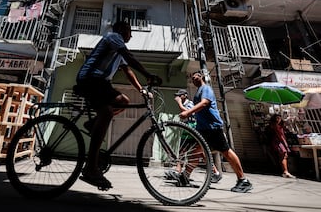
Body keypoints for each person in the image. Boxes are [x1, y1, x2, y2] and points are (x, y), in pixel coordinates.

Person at [75, 21, 160, 190]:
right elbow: (129, 56)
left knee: (124, 101)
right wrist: (148, 74)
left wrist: (141, 89)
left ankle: (93, 123)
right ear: (122, 30)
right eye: (129, 31)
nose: (131, 35)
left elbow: (128, 71)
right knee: (106, 113)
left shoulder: (117, 50)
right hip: (91, 80)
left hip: (101, 83)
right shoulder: (113, 38)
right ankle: (91, 168)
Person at [179, 71, 253, 193]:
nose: (193, 79)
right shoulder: (198, 91)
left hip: (212, 127)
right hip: (203, 129)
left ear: (201, 77)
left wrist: (188, 112)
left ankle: (243, 180)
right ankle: (185, 176)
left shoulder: (206, 88)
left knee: (226, 151)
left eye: (195, 77)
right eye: (192, 78)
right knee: (196, 151)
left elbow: (205, 103)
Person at [166, 88, 221, 184]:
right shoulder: (185, 103)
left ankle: (214, 172)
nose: (178, 97)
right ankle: (214, 172)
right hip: (187, 130)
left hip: (192, 129)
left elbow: (191, 113)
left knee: (194, 152)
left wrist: (179, 104)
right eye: (177, 95)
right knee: (189, 152)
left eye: (180, 95)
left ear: (185, 95)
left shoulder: (189, 103)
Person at [265, 113, 296, 178]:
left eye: (279, 118)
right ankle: (285, 171)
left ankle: (284, 171)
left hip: (275, 143)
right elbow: (281, 136)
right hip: (278, 142)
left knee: (281, 156)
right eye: (277, 118)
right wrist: (285, 145)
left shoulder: (272, 126)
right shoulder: (277, 127)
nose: (279, 119)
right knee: (283, 156)